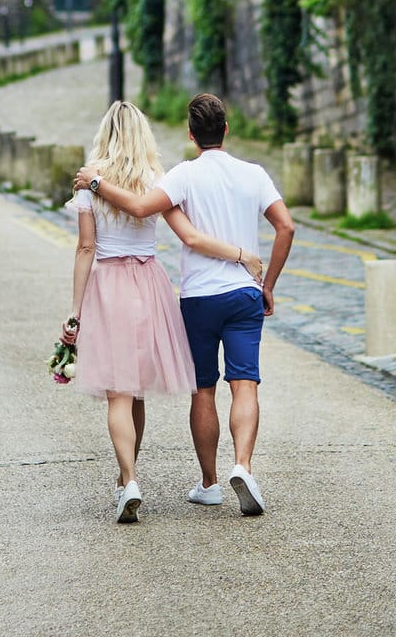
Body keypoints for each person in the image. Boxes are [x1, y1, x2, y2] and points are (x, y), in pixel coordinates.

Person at [75, 91, 295, 517]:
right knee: (245, 383)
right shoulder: (250, 173)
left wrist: (95, 182)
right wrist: (264, 279)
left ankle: (201, 482)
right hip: (239, 293)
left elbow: (128, 222)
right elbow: (284, 226)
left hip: (193, 298)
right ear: (226, 129)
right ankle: (244, 466)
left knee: (199, 390)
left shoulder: (180, 177)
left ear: (192, 135)